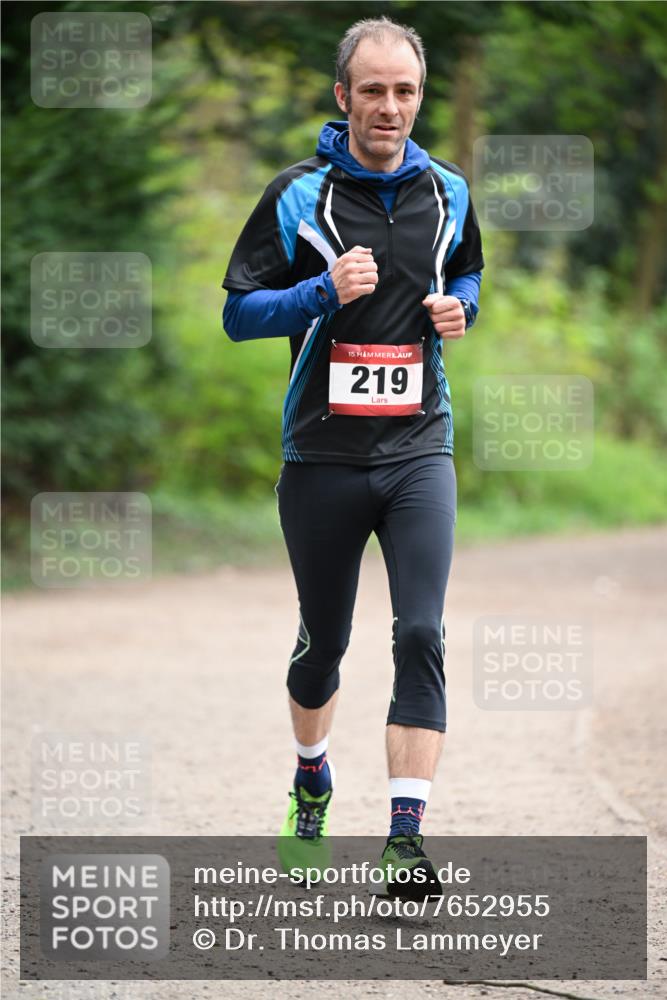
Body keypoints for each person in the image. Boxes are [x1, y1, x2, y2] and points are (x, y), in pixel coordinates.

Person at [222, 16, 483, 899]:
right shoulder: (296, 194)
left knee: (421, 632)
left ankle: (404, 839)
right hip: (321, 456)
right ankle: (311, 777)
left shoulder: (449, 190)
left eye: (404, 91)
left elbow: (468, 272)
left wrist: (461, 309)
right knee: (321, 646)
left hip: (418, 448)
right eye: (372, 90)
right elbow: (238, 314)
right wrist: (316, 292)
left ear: (420, 97)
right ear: (343, 96)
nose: (388, 106)